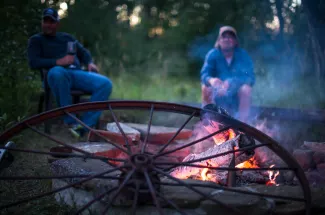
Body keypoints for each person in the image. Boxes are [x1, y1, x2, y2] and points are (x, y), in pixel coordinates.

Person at [27, 8, 113, 137]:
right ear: (42, 22)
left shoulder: (67, 38)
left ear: (57, 24)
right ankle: (71, 122)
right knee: (57, 72)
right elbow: (34, 63)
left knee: (105, 83)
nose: (48, 24)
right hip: (55, 76)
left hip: (76, 74)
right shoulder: (36, 40)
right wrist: (58, 62)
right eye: (46, 21)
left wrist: (89, 62)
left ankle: (83, 127)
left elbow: (83, 52)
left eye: (52, 22)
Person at [200, 26, 255, 122]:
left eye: (230, 37)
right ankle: (209, 122)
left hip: (236, 95)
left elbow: (250, 77)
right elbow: (204, 74)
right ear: (219, 41)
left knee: (246, 89)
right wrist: (212, 80)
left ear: (235, 41)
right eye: (224, 37)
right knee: (205, 88)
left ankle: (243, 125)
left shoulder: (243, 55)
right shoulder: (212, 54)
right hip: (217, 94)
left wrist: (231, 82)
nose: (227, 39)